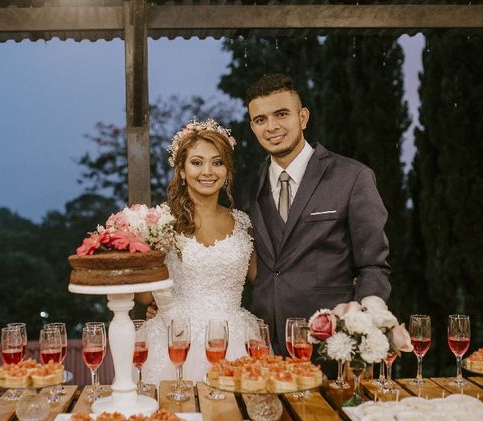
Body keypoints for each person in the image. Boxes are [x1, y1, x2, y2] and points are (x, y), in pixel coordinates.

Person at [238, 73, 391, 358]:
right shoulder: (249, 187)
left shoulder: (352, 177)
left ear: (303, 117)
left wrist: (366, 325)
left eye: (281, 114)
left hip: (331, 346)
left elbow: (373, 266)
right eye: (260, 120)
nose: (271, 127)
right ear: (252, 126)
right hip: (264, 349)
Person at [139, 119, 261, 385]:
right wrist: (157, 301)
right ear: (181, 170)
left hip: (235, 339)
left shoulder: (244, 223)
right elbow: (144, 295)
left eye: (217, 162)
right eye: (197, 162)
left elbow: (264, 280)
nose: (208, 171)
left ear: (227, 170)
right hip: (174, 336)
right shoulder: (162, 223)